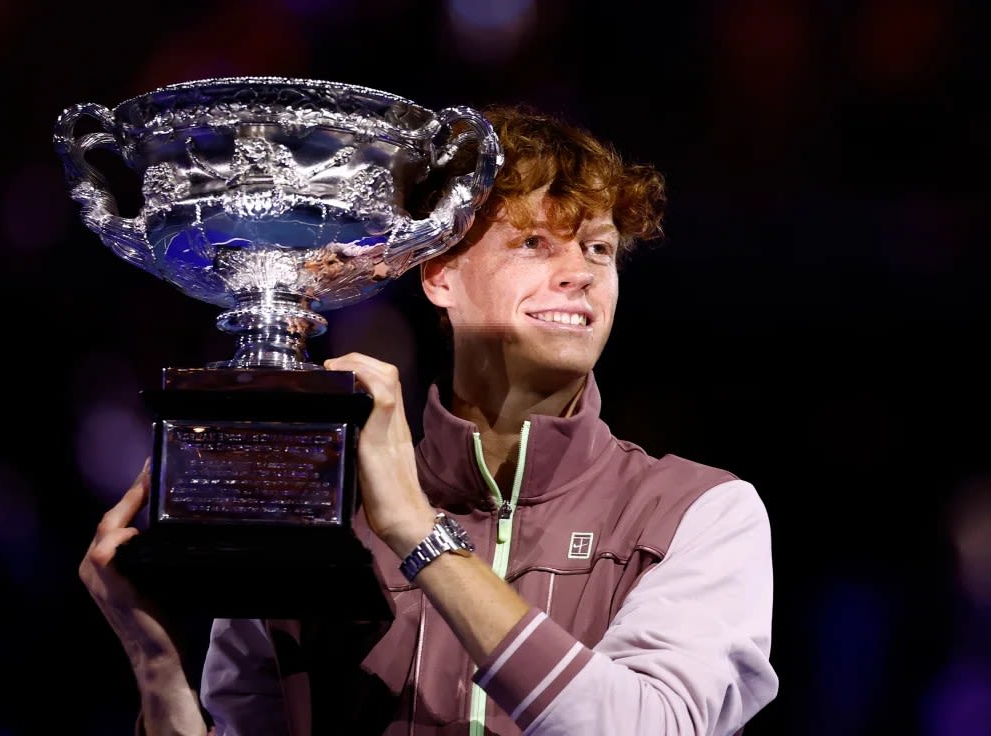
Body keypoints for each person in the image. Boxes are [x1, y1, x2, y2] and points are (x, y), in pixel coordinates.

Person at [80, 104, 779, 735]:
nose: (580, 272)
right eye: (534, 243)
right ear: (439, 275)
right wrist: (157, 669)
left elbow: (646, 727)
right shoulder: (315, 508)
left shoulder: (699, 513)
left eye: (598, 248)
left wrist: (418, 532)